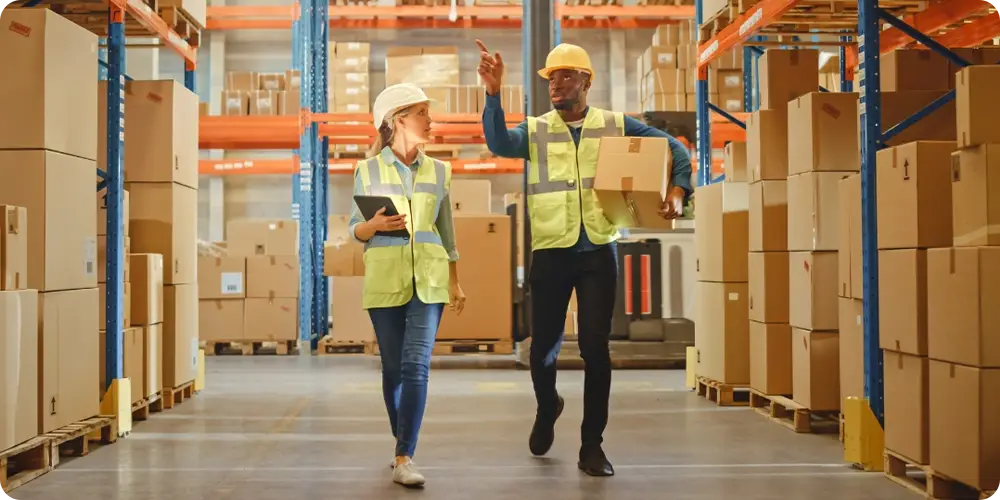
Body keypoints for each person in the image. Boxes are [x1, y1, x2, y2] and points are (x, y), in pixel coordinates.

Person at [476, 40, 693, 477]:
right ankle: (547, 406)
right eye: (551, 77)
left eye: (566, 75)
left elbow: (676, 148)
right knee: (543, 351)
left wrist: (677, 190)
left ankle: (591, 445)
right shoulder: (535, 130)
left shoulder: (615, 124)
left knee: (597, 350)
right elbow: (498, 142)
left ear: (586, 81)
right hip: (552, 251)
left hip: (598, 249)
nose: (556, 83)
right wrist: (493, 94)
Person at [348, 83, 467, 488]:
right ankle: (401, 443)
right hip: (385, 281)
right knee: (394, 370)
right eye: (423, 114)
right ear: (399, 120)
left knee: (416, 366)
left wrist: (455, 281)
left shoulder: (440, 170)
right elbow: (355, 230)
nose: (431, 121)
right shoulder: (368, 169)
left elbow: (446, 233)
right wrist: (373, 225)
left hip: (429, 283)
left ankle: (404, 456)